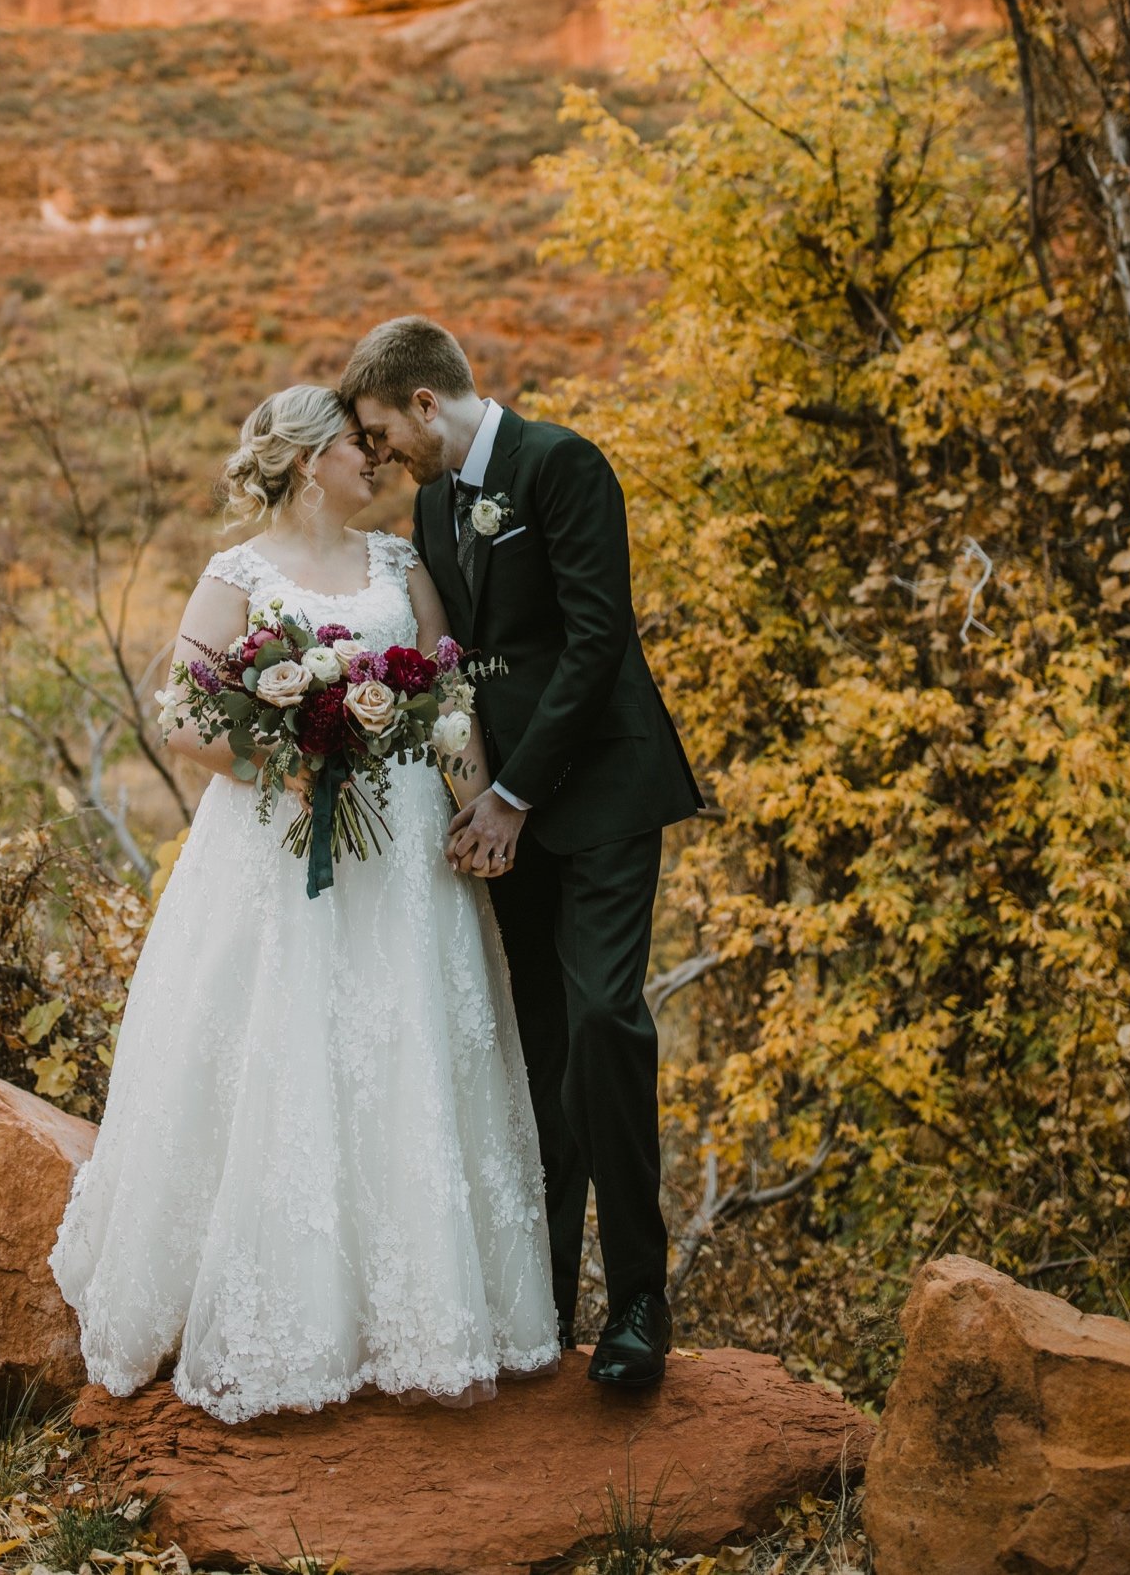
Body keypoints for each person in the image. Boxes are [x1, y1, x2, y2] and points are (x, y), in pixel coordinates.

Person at [50, 384, 559, 1422]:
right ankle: (282, 1316)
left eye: (372, 444)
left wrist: (478, 815)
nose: (372, 459)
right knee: (281, 1050)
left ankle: (414, 1314)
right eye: (352, 445)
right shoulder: (233, 575)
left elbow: (449, 698)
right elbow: (186, 716)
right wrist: (279, 753)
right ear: (300, 459)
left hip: (405, 856)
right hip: (277, 852)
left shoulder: (399, 561)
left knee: (404, 1048)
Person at [342, 318, 703, 1388]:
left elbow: (598, 641)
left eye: (379, 430)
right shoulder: (436, 502)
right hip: (506, 814)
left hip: (600, 788)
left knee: (603, 1017)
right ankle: (543, 1301)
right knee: (538, 1047)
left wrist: (511, 791)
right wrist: (465, 795)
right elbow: (460, 665)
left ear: (421, 403)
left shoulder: (562, 464)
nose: (379, 456)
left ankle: (640, 1297)